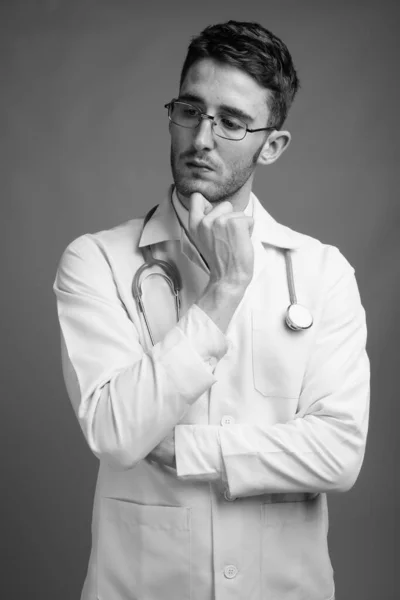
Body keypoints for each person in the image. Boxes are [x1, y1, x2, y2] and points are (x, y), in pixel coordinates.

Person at [53, 20, 370, 600]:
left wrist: (189, 449)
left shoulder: (323, 273)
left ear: (271, 145)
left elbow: (339, 454)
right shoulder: (96, 260)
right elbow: (116, 431)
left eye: (231, 121)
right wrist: (226, 290)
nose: (202, 138)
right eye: (190, 111)